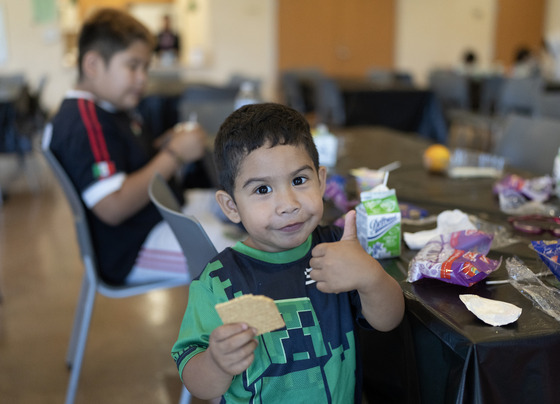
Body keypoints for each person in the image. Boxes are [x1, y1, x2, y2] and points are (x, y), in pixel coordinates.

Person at [171, 103, 405, 402]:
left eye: (299, 181)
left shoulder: (337, 249)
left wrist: (371, 277)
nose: (288, 204)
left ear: (321, 181)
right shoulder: (218, 281)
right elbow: (198, 383)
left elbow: (389, 320)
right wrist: (216, 362)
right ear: (230, 206)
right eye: (262, 190)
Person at [42, 8, 207, 285]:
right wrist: (174, 155)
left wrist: (164, 145)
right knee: (244, 251)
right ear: (92, 65)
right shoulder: (84, 121)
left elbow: (125, 162)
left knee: (237, 210)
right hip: (133, 248)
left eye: (146, 67)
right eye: (133, 66)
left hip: (160, 217)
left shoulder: (109, 108)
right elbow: (113, 206)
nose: (143, 77)